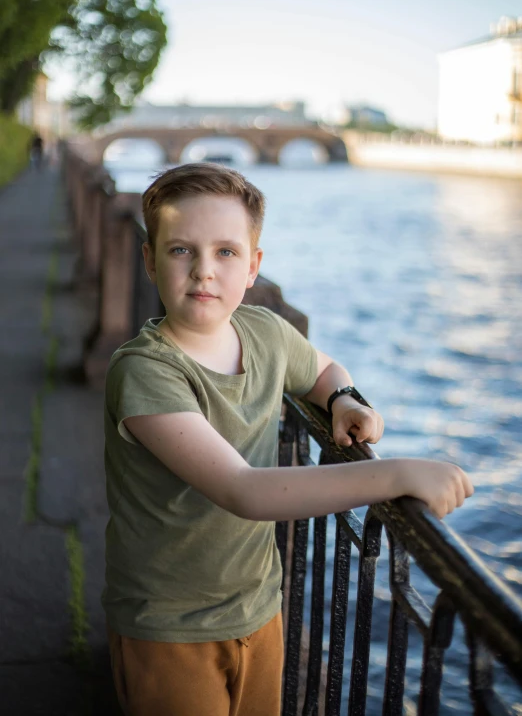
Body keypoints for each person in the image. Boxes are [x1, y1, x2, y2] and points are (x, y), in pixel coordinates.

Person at [103, 163, 474, 716]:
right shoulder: (145, 373)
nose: (204, 270)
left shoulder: (265, 332)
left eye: (226, 252)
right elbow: (242, 490)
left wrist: (343, 397)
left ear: (253, 267)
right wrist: (394, 475)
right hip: (168, 622)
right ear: (150, 260)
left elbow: (322, 369)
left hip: (257, 605)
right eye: (181, 250)